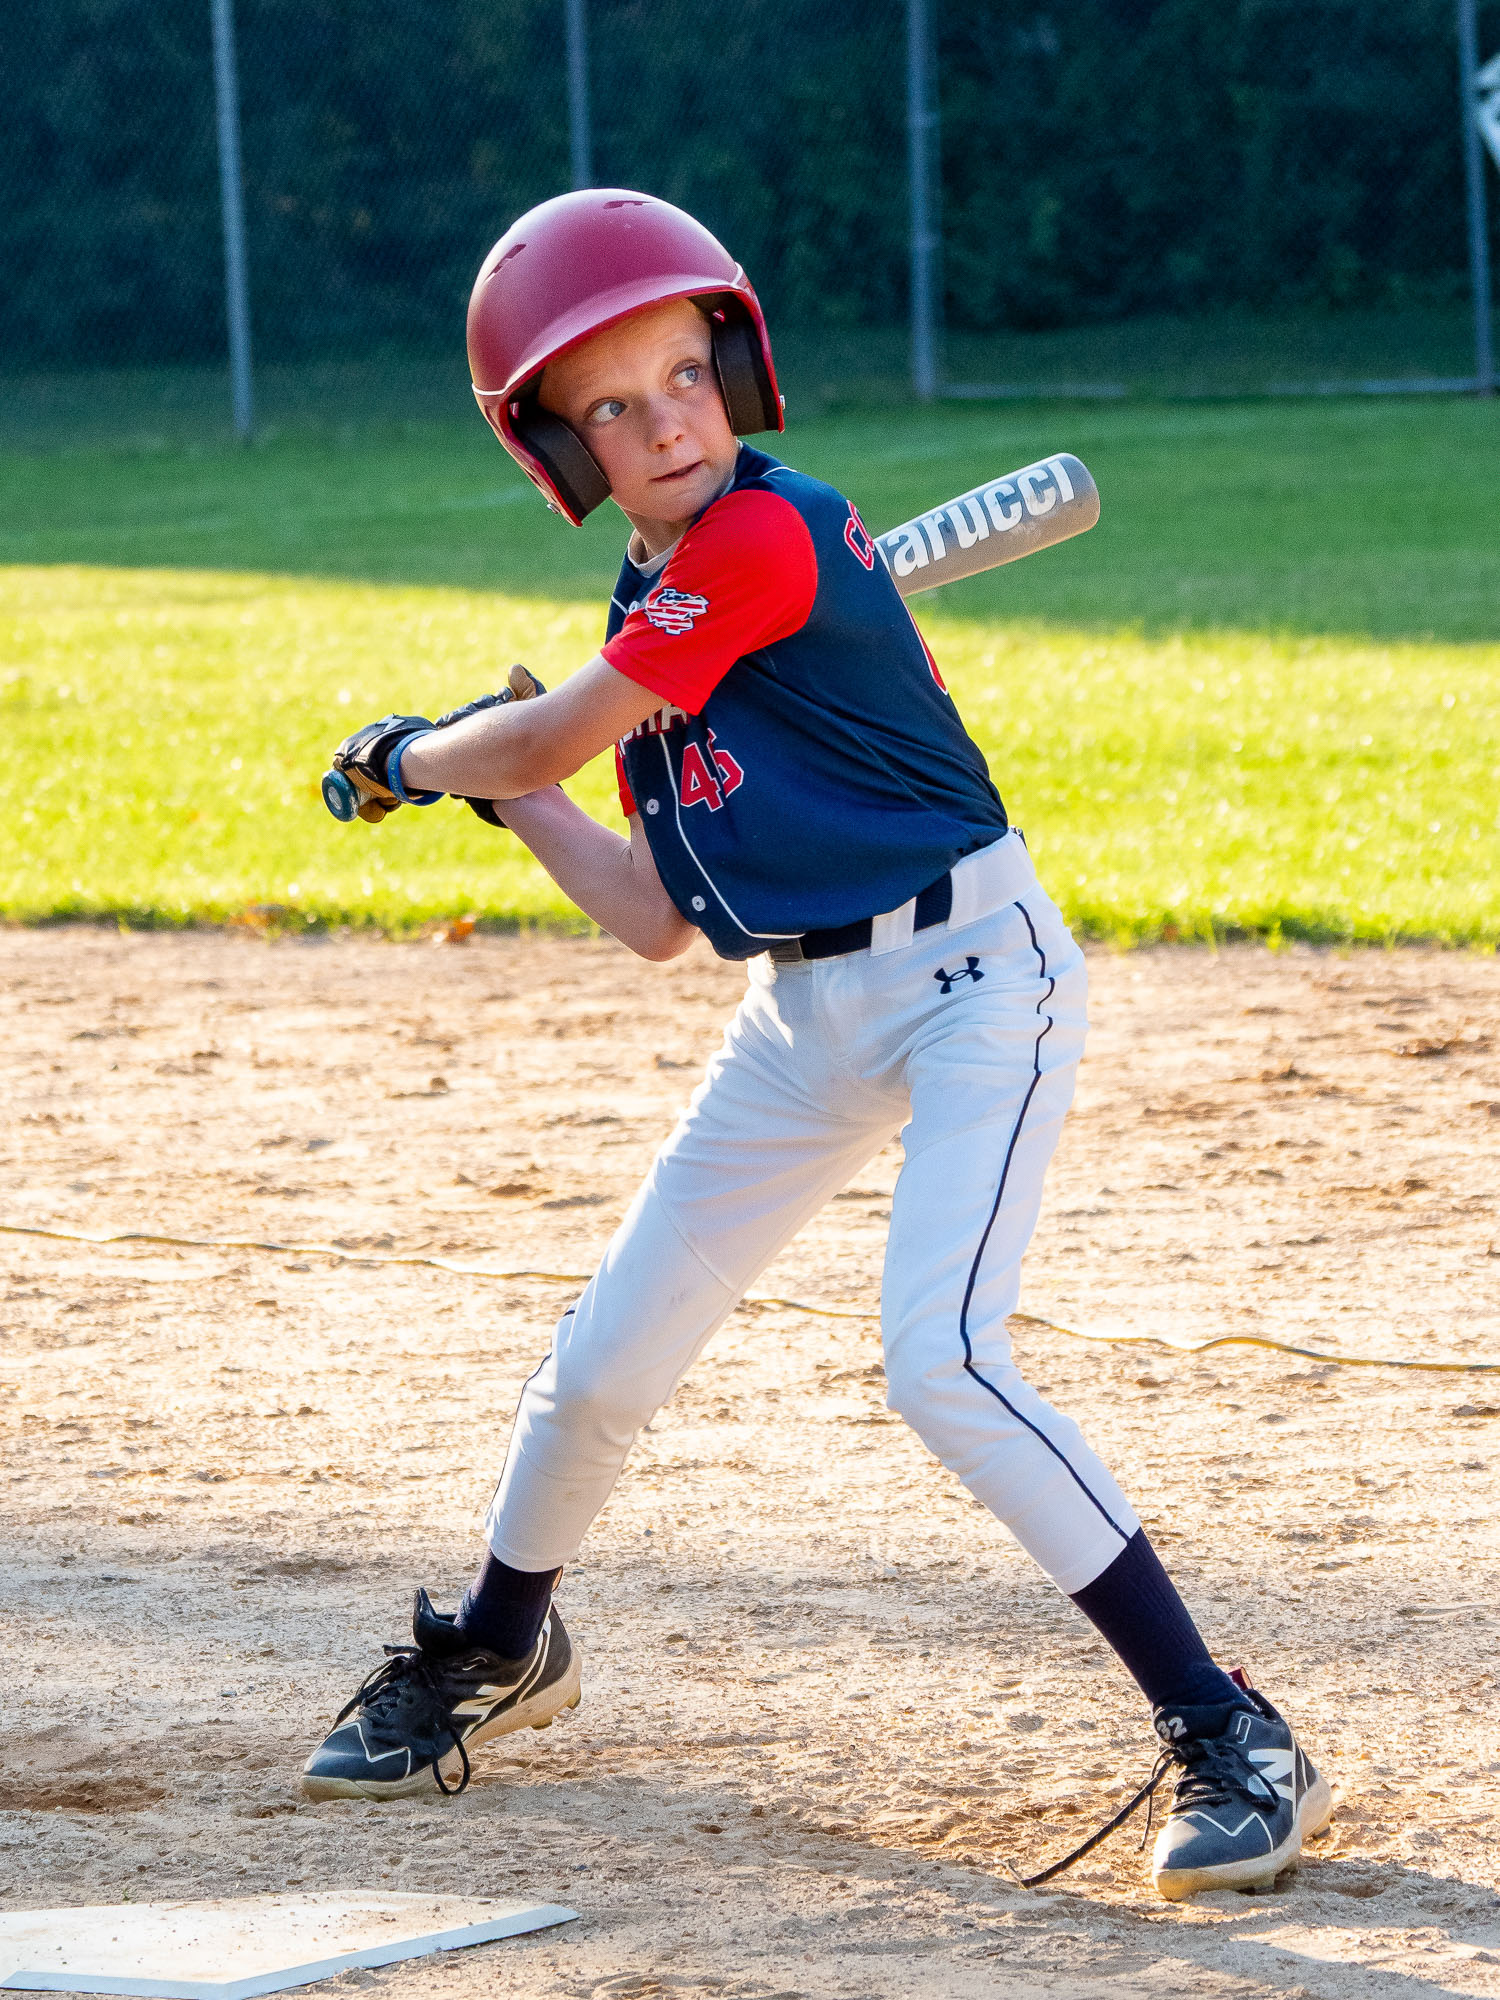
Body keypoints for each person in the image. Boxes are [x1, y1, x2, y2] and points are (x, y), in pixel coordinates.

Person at [301, 189, 1330, 1899]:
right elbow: (653, 913)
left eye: (681, 375)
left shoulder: (778, 543)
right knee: (606, 1356)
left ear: (736, 370)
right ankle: (498, 1643)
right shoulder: (667, 624)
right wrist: (521, 795)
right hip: (801, 1011)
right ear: (563, 455)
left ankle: (1232, 1730)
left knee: (940, 1355)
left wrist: (421, 758)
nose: (663, 420)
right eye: (611, 406)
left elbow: (554, 720)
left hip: (978, 978)